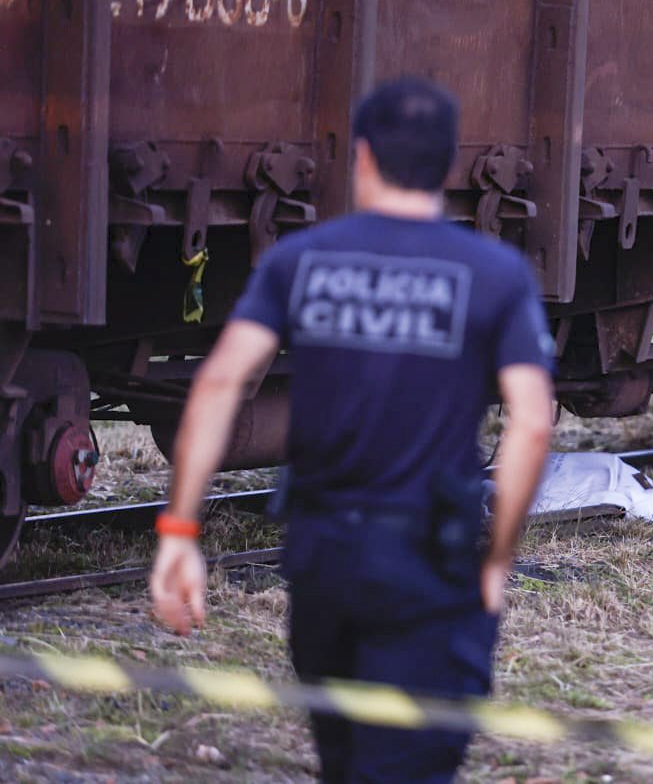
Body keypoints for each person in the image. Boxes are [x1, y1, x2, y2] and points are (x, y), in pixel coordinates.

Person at [148, 77, 555, 782]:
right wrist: (497, 558)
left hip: (322, 560)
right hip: (430, 565)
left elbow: (218, 382)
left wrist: (181, 532)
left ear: (362, 157)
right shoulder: (494, 274)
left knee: (346, 761)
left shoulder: (301, 260)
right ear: (447, 164)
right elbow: (533, 420)